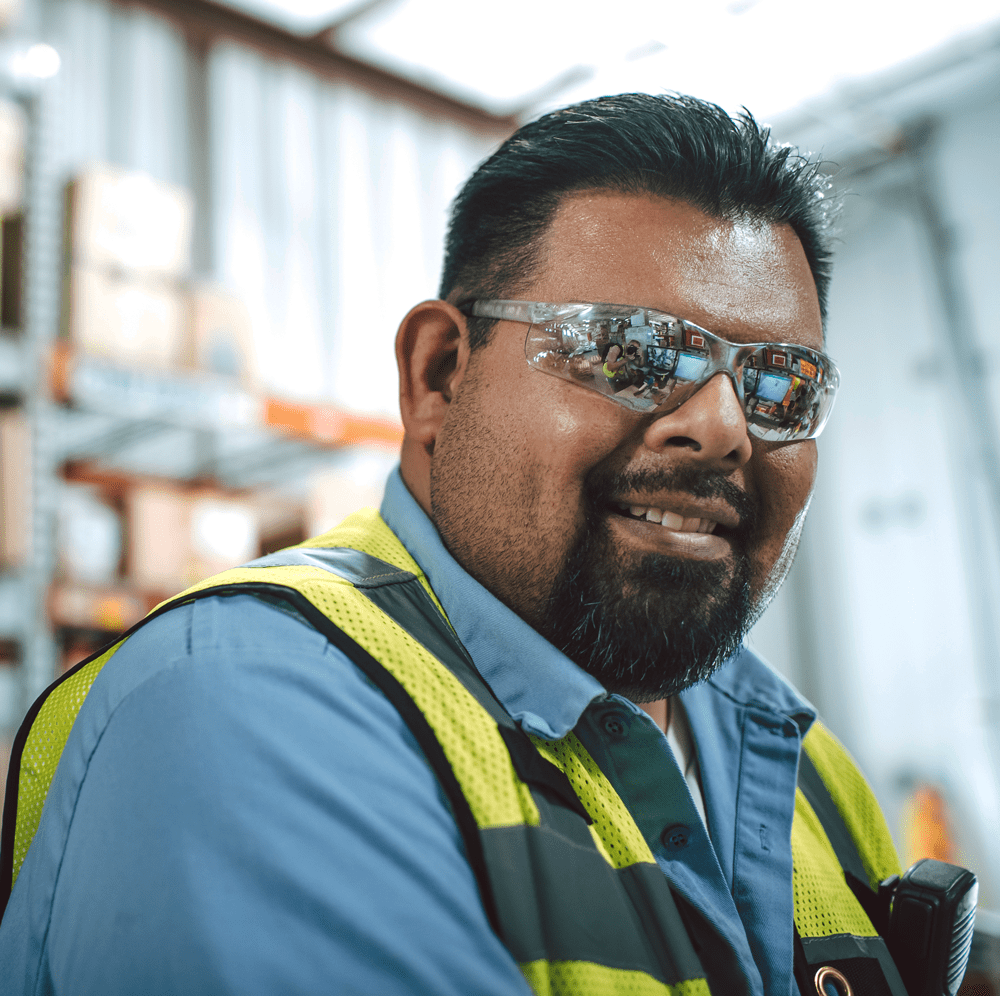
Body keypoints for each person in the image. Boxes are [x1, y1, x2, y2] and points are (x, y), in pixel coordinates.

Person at [0, 94, 905, 996]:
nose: (722, 429)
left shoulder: (800, 758)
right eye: (635, 351)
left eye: (782, 385)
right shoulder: (245, 704)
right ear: (439, 376)